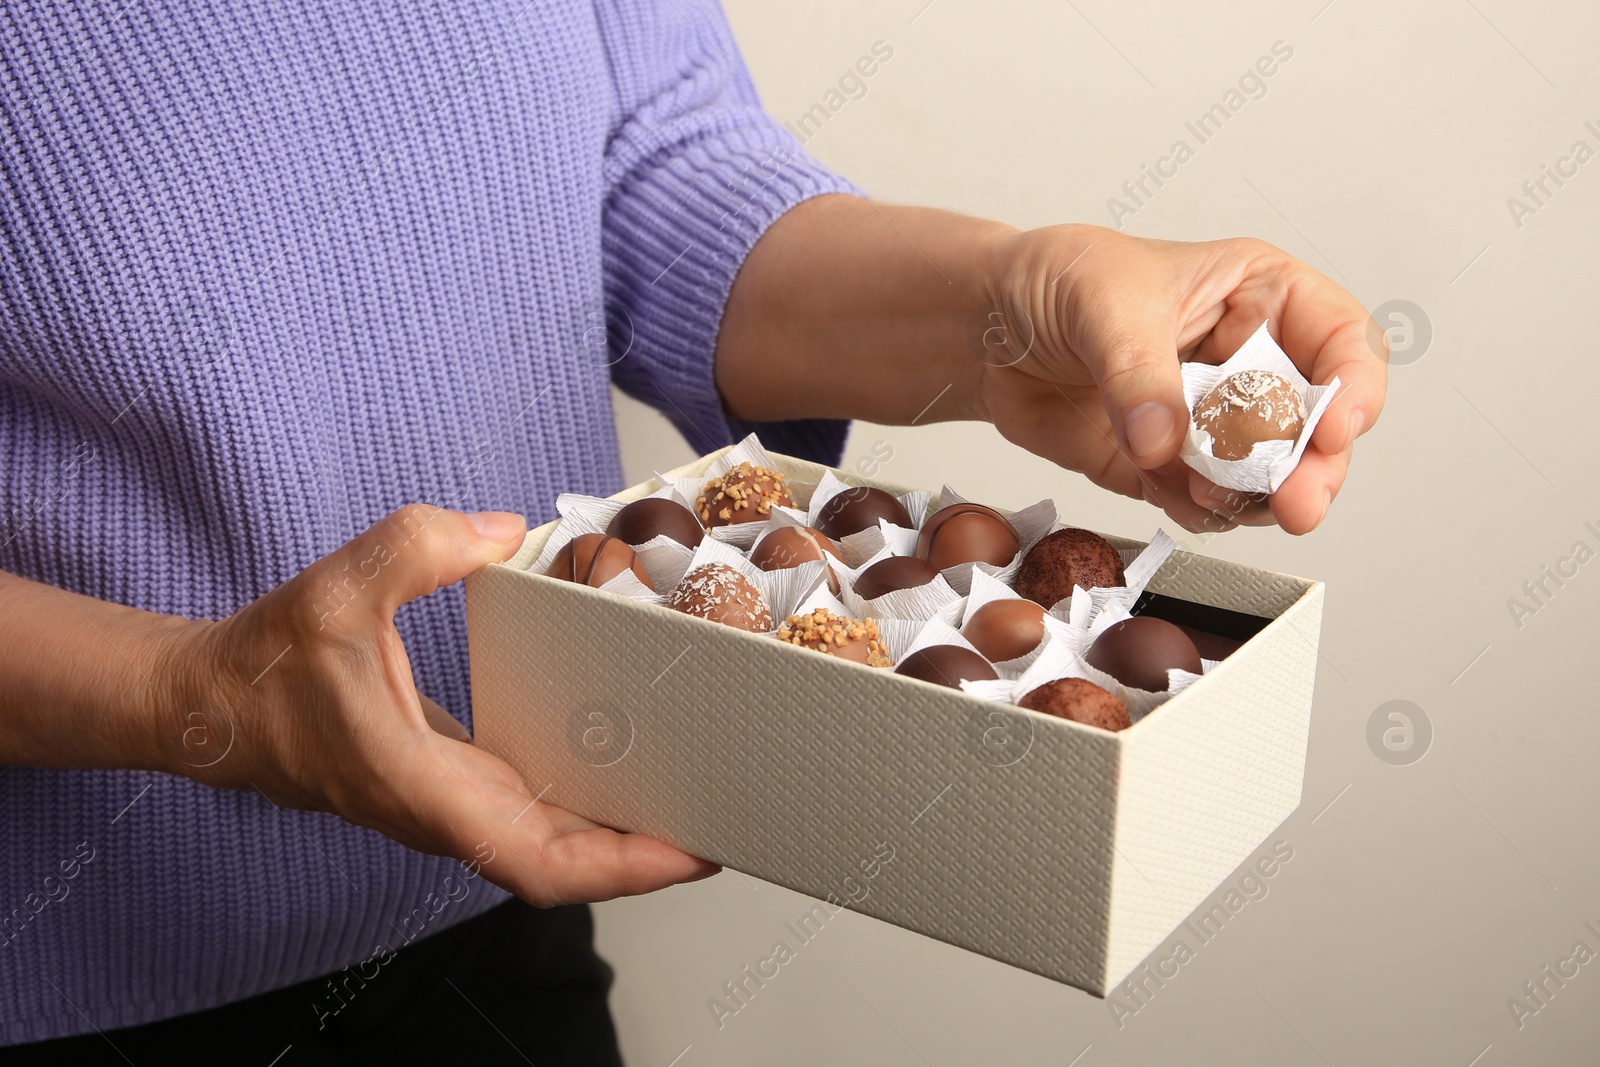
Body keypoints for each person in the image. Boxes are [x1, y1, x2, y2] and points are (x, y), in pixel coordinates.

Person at [0, 1, 1384, 1063]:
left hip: (492, 911)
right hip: (77, 987)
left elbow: (659, 177)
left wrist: (1008, 305)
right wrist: (185, 696)